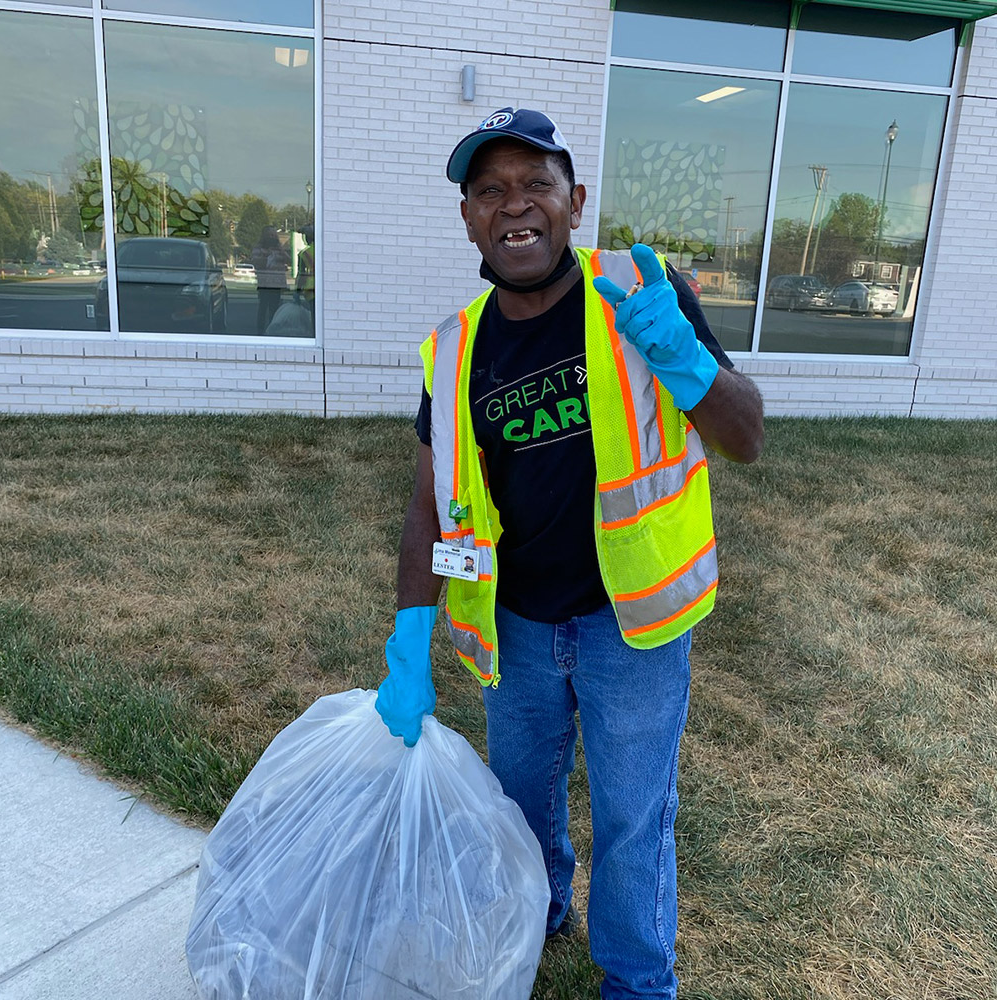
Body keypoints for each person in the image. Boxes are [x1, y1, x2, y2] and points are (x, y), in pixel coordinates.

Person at [374, 107, 764, 1000]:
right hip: (515, 631)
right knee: (519, 805)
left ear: (574, 201)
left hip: (634, 627)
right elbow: (428, 508)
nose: (515, 206)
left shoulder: (639, 292)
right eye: (490, 190)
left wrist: (682, 358)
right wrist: (407, 639)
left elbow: (745, 437)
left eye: (535, 184)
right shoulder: (454, 345)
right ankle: (537, 908)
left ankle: (635, 980)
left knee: (634, 819)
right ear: (468, 217)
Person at [250, 225, 289, 333]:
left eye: (274, 235)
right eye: (269, 235)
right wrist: (266, 256)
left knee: (275, 309)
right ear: (264, 236)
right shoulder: (258, 248)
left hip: (277, 285)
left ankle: (273, 331)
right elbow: (255, 262)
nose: (272, 237)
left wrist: (281, 252)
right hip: (264, 284)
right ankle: (260, 331)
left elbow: (289, 261)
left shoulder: (279, 248)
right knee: (263, 308)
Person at [295, 224, 316, 328]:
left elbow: (301, 274)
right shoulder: (325, 250)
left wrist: (297, 291)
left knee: (314, 317)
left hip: (311, 289)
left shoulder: (305, 254)